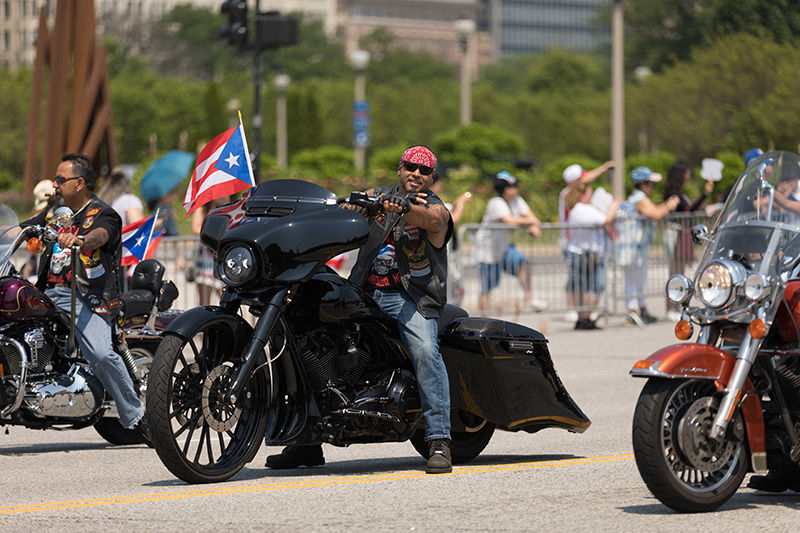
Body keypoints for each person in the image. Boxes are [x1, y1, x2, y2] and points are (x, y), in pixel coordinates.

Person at [266, 145, 455, 474]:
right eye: (411, 167)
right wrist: (347, 203)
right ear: (400, 168)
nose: (417, 174)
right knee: (309, 341)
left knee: (425, 350)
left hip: (411, 297)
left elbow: (430, 219)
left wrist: (403, 206)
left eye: (425, 171)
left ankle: (439, 439)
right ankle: (307, 441)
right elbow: (347, 204)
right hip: (363, 290)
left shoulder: (435, 208)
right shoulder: (380, 196)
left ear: (432, 177)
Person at [20, 153, 147, 435]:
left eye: (60, 179)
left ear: (79, 183)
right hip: (48, 293)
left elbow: (101, 236)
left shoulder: (103, 213)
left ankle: (137, 415)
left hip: (86, 296)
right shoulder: (54, 212)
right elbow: (20, 229)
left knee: (101, 354)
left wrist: (81, 240)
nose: (54, 183)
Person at [474, 171, 546, 316]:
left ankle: (529, 299)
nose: (514, 189)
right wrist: (530, 223)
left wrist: (534, 225)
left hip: (504, 248)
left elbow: (532, 217)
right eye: (511, 186)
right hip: (487, 252)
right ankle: (484, 318)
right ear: (503, 189)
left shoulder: (516, 200)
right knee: (487, 288)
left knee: (523, 264)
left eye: (514, 186)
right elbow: (510, 220)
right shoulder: (496, 203)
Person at [615, 166, 679, 326]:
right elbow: (655, 214)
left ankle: (641, 310)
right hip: (631, 247)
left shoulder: (638, 198)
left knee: (639, 279)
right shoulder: (639, 199)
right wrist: (668, 205)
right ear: (642, 184)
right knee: (633, 279)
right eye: (651, 184)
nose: (653, 187)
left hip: (636, 248)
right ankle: (633, 312)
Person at [559, 161, 615, 321]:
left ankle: (583, 314)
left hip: (582, 245)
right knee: (577, 282)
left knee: (584, 283)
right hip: (574, 243)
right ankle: (577, 313)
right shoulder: (568, 194)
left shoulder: (575, 196)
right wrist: (603, 168)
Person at [662, 160, 714, 320]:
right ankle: (670, 307)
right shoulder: (673, 193)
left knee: (679, 271)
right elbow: (688, 210)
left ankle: (676, 306)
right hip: (675, 234)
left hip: (681, 234)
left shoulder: (679, 192)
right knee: (675, 272)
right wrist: (704, 194)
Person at [564, 182, 621, 329]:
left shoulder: (580, 209)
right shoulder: (581, 209)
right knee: (594, 286)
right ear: (582, 194)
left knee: (589, 287)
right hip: (585, 254)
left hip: (588, 253)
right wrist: (615, 204)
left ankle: (585, 317)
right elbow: (605, 219)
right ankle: (584, 317)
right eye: (589, 192)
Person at [97, 167, 145, 291]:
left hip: (107, 256)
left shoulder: (103, 200)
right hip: (126, 256)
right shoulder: (129, 200)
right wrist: (157, 223)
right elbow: (138, 224)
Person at [191, 196, 230, 305]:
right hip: (205, 258)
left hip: (221, 256)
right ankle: (204, 320)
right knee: (204, 300)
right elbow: (195, 228)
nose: (223, 196)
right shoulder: (202, 209)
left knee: (225, 298)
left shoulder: (229, 209)